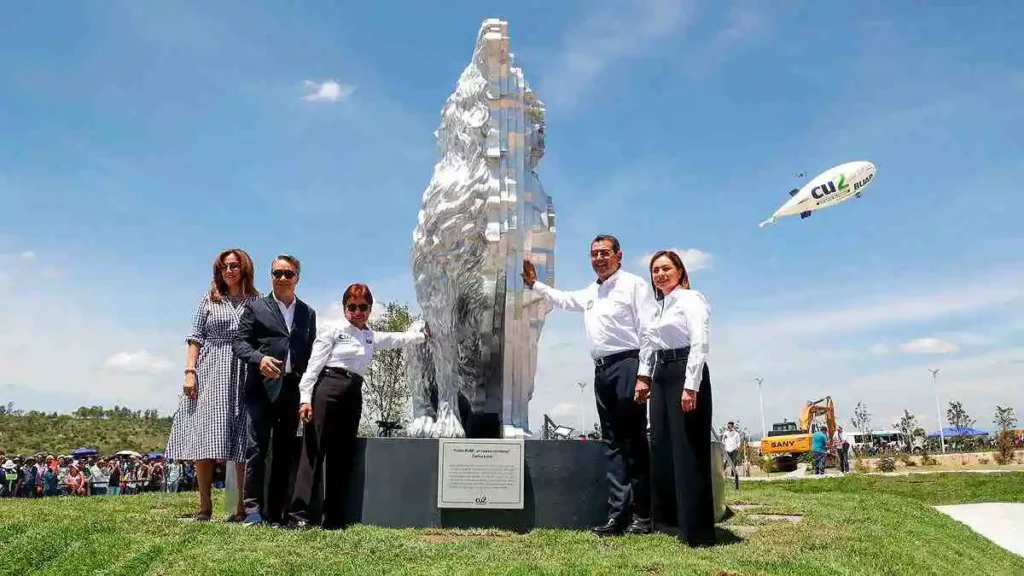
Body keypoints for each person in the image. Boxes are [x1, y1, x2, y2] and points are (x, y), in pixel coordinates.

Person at [522, 234, 653, 536]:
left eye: (604, 253)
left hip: (628, 366)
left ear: (619, 255)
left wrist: (644, 374)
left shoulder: (634, 285)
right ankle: (617, 516)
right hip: (602, 371)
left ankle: (642, 516)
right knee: (612, 445)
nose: (598, 258)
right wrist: (535, 285)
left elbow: (647, 331)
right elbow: (567, 300)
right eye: (593, 254)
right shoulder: (593, 291)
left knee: (633, 442)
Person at [289, 283, 430, 529]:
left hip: (354, 394)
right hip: (327, 389)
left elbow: (396, 338)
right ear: (345, 308)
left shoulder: (369, 335)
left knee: (341, 455)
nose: (357, 311)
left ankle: (333, 518)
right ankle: (298, 515)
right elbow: (313, 367)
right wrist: (305, 399)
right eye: (352, 306)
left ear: (370, 309)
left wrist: (422, 335)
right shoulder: (332, 330)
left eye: (363, 307)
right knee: (313, 451)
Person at [166, 248, 260, 521]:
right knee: (204, 436)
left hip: (243, 370)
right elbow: (195, 337)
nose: (228, 271)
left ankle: (240, 507)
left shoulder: (256, 302)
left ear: (245, 268)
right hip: (209, 370)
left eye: (233, 266)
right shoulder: (208, 300)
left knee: (241, 439)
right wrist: (189, 372)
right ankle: (204, 506)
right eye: (223, 267)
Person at [636, 249, 716, 548]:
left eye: (666, 268)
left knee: (688, 449)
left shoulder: (691, 299)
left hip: (685, 370)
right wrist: (644, 377)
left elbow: (700, 342)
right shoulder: (658, 306)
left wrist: (691, 385)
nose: (660, 274)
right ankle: (669, 523)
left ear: (680, 271)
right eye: (655, 270)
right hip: (661, 373)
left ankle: (698, 532)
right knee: (661, 445)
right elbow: (648, 344)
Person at [233, 254, 317, 526]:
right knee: (257, 449)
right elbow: (239, 344)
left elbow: (312, 352)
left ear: (297, 278)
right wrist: (260, 359)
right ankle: (253, 510)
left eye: (288, 274)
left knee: (283, 451)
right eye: (277, 273)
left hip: (291, 390)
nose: (282, 278)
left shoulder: (308, 313)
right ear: (270, 276)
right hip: (260, 389)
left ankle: (277, 513)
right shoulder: (256, 308)